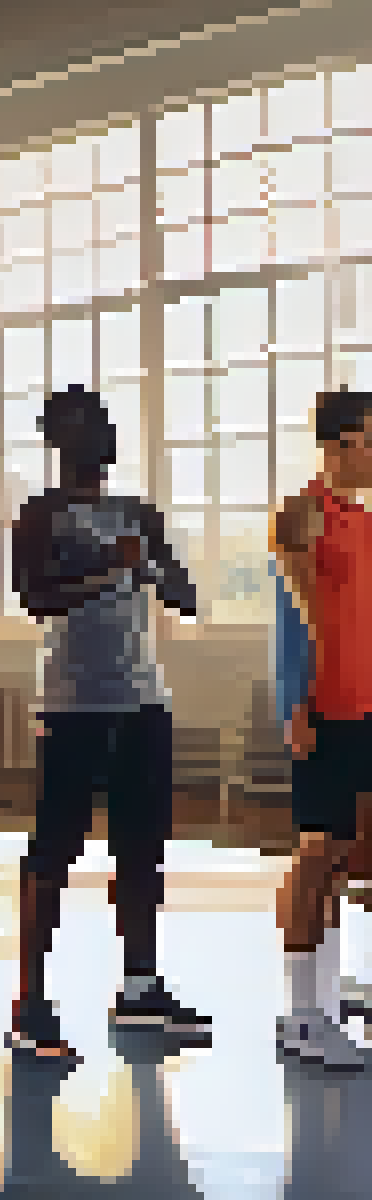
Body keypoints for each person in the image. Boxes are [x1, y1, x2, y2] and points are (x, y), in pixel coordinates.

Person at [6, 384, 207, 1066]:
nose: (101, 437)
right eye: (85, 426)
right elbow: (35, 597)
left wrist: (150, 565)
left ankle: (141, 989)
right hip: (73, 702)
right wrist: (104, 568)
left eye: (104, 424)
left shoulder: (138, 514)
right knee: (55, 847)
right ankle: (30, 1004)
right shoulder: (41, 515)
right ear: (59, 441)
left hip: (144, 699)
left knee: (142, 847)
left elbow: (186, 595)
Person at [271, 387, 372, 1070]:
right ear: (340, 444)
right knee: (317, 856)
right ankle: (301, 1015)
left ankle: (329, 996)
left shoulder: (361, 519)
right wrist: (298, 705)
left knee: (349, 855)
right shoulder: (303, 513)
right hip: (324, 709)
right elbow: (299, 617)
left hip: (364, 707)